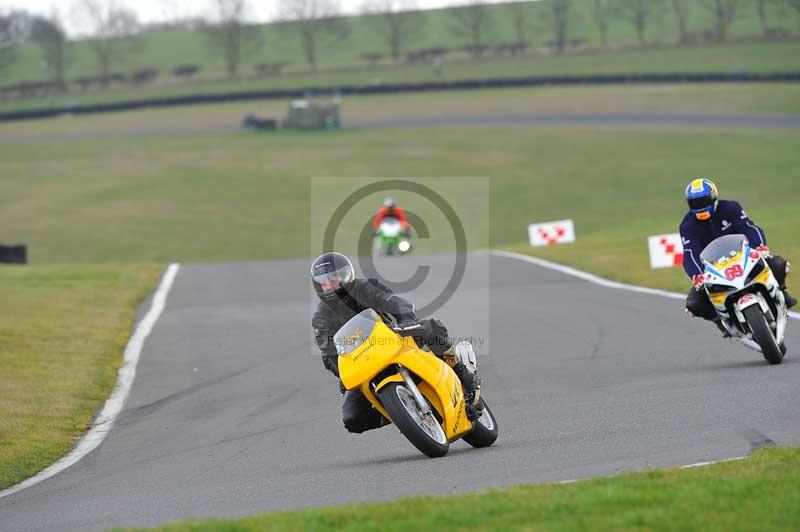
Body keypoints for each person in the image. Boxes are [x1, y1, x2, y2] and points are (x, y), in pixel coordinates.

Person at [310, 252, 482, 434]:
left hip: (396, 338)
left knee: (431, 329)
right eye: (324, 282)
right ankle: (401, 413)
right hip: (363, 362)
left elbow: (395, 302)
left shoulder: (366, 287)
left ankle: (462, 372)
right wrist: (342, 373)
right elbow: (329, 354)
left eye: (333, 279)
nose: (329, 286)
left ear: (345, 276)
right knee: (352, 418)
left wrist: (406, 319)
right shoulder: (321, 319)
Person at [680, 178, 796, 330]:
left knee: (779, 265)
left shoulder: (731, 208)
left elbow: (749, 228)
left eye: (703, 201)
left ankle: (780, 293)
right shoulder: (687, 225)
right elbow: (690, 253)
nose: (700, 207)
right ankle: (720, 320)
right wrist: (697, 275)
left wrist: (760, 247)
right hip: (713, 270)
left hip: (742, 257)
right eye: (695, 203)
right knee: (693, 304)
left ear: (714, 197)